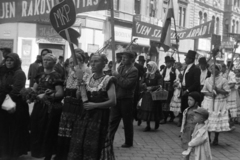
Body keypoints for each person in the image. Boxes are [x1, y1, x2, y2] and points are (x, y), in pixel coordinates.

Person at [68, 53, 116, 160]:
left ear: (104, 64)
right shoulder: (87, 77)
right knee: (82, 142)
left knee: (96, 145)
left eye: (96, 61)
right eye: (92, 61)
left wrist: (95, 105)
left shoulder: (108, 80)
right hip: (85, 115)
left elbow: (113, 101)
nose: (93, 64)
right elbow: (79, 96)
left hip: (100, 117)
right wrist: (80, 85)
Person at [55, 49, 91, 160]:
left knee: (74, 131)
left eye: (74, 62)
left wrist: (81, 90)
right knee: (64, 130)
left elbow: (84, 94)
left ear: (80, 62)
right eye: (70, 62)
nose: (71, 65)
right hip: (67, 105)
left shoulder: (86, 73)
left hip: (77, 106)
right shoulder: (70, 73)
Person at [29, 53, 64, 160]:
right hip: (39, 106)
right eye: (44, 60)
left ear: (54, 63)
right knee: (37, 129)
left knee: (48, 131)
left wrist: (47, 95)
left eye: (49, 60)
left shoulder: (56, 76)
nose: (46, 62)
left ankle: (47, 155)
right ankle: (38, 152)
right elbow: (33, 89)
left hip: (50, 108)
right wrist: (30, 95)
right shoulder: (40, 75)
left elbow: (60, 94)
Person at [0, 53, 29, 160]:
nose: (8, 62)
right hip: (4, 101)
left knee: (13, 129)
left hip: (14, 104)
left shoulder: (19, 73)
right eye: (7, 60)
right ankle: (5, 151)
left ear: (16, 62)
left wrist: (5, 99)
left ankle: (13, 152)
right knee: (4, 129)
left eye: (11, 60)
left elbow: (16, 89)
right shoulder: (4, 73)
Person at [109, 51, 138, 148]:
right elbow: (116, 82)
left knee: (127, 121)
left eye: (125, 58)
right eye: (122, 57)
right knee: (113, 120)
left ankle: (129, 142)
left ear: (131, 59)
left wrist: (117, 76)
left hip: (127, 99)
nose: (123, 59)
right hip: (117, 97)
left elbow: (127, 84)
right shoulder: (120, 68)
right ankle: (109, 139)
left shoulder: (134, 70)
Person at [201, 63, 230, 145]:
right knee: (208, 119)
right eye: (212, 68)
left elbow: (227, 92)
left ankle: (216, 137)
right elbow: (204, 91)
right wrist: (210, 94)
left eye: (216, 69)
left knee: (217, 118)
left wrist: (218, 90)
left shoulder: (223, 80)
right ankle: (208, 137)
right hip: (209, 101)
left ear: (219, 70)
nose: (214, 70)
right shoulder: (207, 80)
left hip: (219, 102)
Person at [138, 61, 163, 131]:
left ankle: (157, 122)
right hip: (147, 94)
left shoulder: (158, 75)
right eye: (148, 66)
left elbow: (160, 85)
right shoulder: (145, 74)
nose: (148, 68)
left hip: (154, 95)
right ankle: (148, 125)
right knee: (146, 109)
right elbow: (141, 83)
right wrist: (143, 85)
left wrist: (152, 88)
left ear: (153, 67)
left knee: (154, 110)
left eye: (150, 66)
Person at [179, 50, 201, 126]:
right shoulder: (186, 68)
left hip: (191, 92)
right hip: (184, 90)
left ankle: (190, 127)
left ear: (191, 59)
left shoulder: (196, 69)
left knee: (190, 111)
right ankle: (183, 126)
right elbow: (186, 79)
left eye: (187, 58)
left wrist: (188, 90)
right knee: (183, 110)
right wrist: (182, 78)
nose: (185, 59)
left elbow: (196, 83)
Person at [161, 56, 177, 124]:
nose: (167, 64)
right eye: (166, 63)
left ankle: (165, 118)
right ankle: (171, 116)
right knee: (164, 101)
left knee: (168, 101)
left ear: (171, 63)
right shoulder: (164, 69)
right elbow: (162, 76)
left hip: (170, 86)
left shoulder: (174, 69)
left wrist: (174, 84)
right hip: (164, 85)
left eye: (169, 63)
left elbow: (177, 78)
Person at [222, 63, 238, 128]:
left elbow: (233, 84)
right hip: (224, 94)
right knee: (224, 108)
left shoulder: (231, 73)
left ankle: (231, 124)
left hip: (230, 94)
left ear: (225, 68)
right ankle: (226, 123)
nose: (221, 70)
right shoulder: (222, 74)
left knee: (230, 109)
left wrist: (226, 88)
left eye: (222, 68)